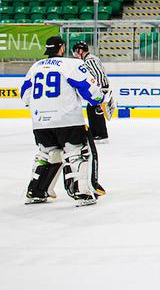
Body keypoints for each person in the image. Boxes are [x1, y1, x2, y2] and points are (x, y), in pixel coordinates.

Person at [21, 36, 105, 206]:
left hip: (40, 122)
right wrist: (100, 99)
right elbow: (90, 90)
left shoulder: (35, 67)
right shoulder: (71, 64)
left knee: (47, 154)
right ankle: (81, 192)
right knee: (76, 153)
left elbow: (25, 95)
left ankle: (36, 191)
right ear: (61, 48)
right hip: (67, 119)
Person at [71, 42, 110, 143]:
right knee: (92, 110)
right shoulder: (91, 59)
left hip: (99, 90)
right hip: (98, 89)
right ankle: (97, 133)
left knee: (95, 111)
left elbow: (99, 74)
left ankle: (100, 134)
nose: (76, 56)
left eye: (76, 53)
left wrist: (102, 90)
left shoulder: (89, 60)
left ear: (80, 51)